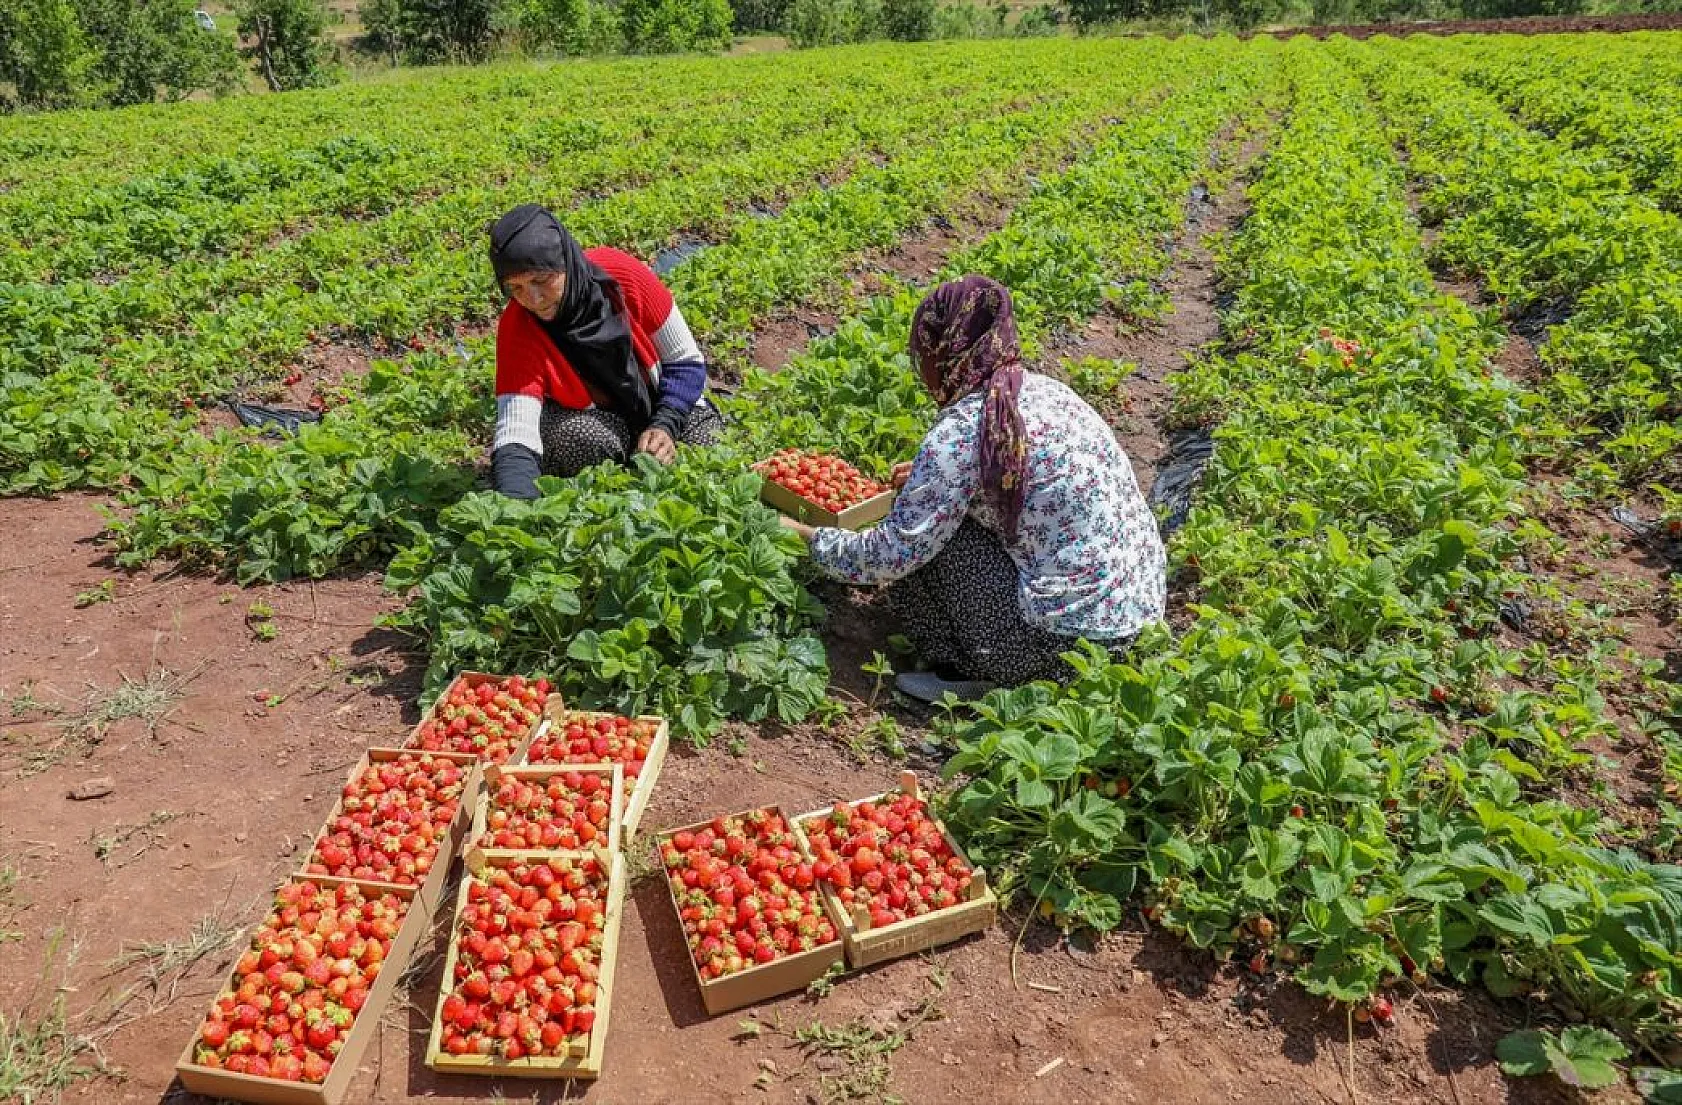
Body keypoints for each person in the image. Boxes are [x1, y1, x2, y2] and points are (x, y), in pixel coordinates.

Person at [782, 275, 1166, 703]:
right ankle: (1011, 664)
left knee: (926, 539)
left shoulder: (962, 430)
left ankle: (981, 674)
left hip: (1057, 652)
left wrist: (809, 537)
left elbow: (890, 557)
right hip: (1129, 634)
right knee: (937, 514)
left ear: (943, 351)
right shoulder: (1051, 394)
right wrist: (943, 486)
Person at [486, 204, 724, 499]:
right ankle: (618, 498)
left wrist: (665, 425)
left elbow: (685, 361)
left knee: (709, 451)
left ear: (566, 262)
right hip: (591, 422)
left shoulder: (623, 276)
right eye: (516, 288)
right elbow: (516, 432)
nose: (533, 299)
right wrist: (515, 510)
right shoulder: (519, 326)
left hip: (656, 405)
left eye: (540, 280)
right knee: (581, 441)